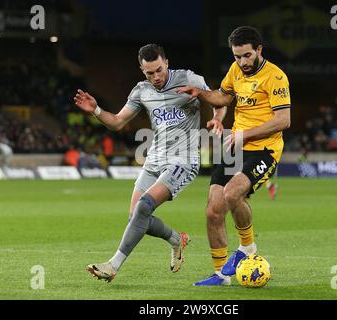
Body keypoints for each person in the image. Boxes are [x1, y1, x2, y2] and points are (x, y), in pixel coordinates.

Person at [74, 44, 212, 283]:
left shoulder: (189, 78)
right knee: (136, 219)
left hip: (183, 160)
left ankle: (113, 265)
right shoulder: (142, 91)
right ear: (142, 70)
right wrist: (96, 110)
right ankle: (177, 240)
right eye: (149, 73)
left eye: (159, 70)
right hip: (154, 160)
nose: (156, 77)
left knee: (145, 206)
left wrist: (213, 114)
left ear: (166, 62)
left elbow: (218, 100)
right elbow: (117, 122)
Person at [177, 26, 291, 285]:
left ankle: (246, 249)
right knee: (213, 210)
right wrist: (203, 95)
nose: (242, 62)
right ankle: (219, 275)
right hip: (235, 147)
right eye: (237, 56)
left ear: (259, 50)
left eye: (247, 56)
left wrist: (246, 134)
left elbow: (284, 120)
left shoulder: (275, 77)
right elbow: (223, 97)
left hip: (264, 149)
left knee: (232, 193)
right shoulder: (235, 70)